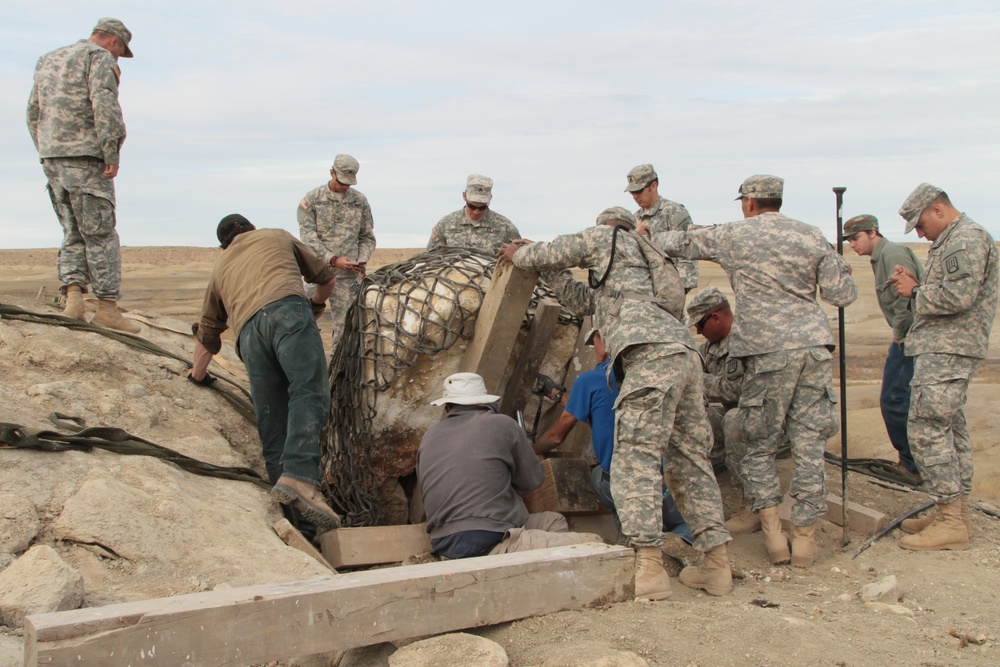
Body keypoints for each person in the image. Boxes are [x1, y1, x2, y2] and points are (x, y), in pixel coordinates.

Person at [500, 206, 733, 601]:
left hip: (649, 355)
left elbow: (549, 253)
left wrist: (520, 253)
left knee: (634, 457)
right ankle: (717, 566)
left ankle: (649, 568)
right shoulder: (650, 257)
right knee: (689, 459)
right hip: (683, 355)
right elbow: (583, 300)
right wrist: (554, 276)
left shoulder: (607, 238)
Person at [652, 175, 857, 569]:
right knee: (809, 443)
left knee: (757, 440)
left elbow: (680, 243)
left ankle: (773, 534)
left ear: (748, 203)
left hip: (767, 352)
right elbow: (841, 295)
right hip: (814, 349)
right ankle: (806, 541)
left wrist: (644, 232)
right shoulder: (811, 235)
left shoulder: (736, 235)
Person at [190, 214, 341, 535]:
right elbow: (326, 279)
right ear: (253, 229)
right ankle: (301, 476)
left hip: (248, 336)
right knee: (309, 390)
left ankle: (301, 531)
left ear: (223, 247)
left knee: (272, 427)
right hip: (288, 311)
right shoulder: (275, 235)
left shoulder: (220, 269)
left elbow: (207, 336)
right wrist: (315, 305)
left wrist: (197, 377)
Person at [887, 184, 998, 551]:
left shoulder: (965, 239)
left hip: (949, 349)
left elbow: (960, 296)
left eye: (919, 225)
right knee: (950, 430)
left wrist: (915, 292)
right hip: (943, 347)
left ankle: (951, 519)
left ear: (937, 209)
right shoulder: (955, 238)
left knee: (927, 428)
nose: (919, 233)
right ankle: (954, 511)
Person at [27, 18, 139, 334]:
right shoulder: (98, 58)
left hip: (52, 159)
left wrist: (47, 149)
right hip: (87, 158)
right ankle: (107, 308)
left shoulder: (47, 59)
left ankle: (73, 301)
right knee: (101, 234)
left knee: (71, 230)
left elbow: (32, 111)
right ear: (114, 42)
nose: (118, 59)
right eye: (120, 53)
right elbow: (105, 104)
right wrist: (111, 151)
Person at [417, 372, 602, 559]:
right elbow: (533, 482)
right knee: (594, 544)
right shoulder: (503, 424)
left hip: (443, 543)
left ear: (448, 407)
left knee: (554, 521)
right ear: (485, 402)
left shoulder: (429, 437)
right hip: (489, 540)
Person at [533, 329, 693, 544]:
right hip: (664, 478)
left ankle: (632, 540)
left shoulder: (590, 381)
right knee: (684, 524)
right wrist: (560, 396)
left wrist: (532, 449)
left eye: (595, 342)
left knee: (600, 475)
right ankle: (680, 540)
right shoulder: (656, 375)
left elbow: (556, 437)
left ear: (606, 346)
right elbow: (602, 406)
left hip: (624, 483)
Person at [843, 214, 924, 478]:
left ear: (872, 233)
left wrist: (899, 333)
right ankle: (913, 463)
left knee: (895, 399)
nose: (852, 244)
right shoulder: (882, 256)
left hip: (911, 337)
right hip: (908, 336)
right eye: (849, 240)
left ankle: (912, 466)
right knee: (901, 400)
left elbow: (906, 296)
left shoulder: (891, 253)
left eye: (855, 238)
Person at [685, 287, 758, 535]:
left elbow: (734, 391)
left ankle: (753, 506)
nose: (698, 331)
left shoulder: (747, 340)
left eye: (701, 324)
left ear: (716, 317)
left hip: (765, 418)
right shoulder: (710, 348)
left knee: (734, 420)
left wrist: (693, 378)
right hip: (733, 416)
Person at [297, 154, 376, 352]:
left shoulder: (359, 201)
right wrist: (332, 260)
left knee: (346, 331)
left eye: (348, 184)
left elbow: (367, 237)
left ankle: (337, 374)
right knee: (298, 319)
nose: (344, 187)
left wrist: (363, 258)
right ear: (332, 173)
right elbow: (308, 238)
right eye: (341, 182)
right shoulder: (313, 200)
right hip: (315, 273)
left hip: (347, 278)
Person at [626, 164, 698, 292]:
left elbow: (687, 255)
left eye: (638, 191)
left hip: (669, 293)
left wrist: (675, 293)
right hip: (643, 293)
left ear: (653, 186)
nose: (635, 196)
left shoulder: (674, 212)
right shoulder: (634, 219)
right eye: (632, 192)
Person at [427, 175, 520, 254]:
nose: (476, 211)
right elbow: (431, 256)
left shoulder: (505, 226)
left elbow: (519, 256)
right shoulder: (445, 224)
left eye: (482, 207)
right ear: (464, 196)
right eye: (472, 206)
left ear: (490, 198)